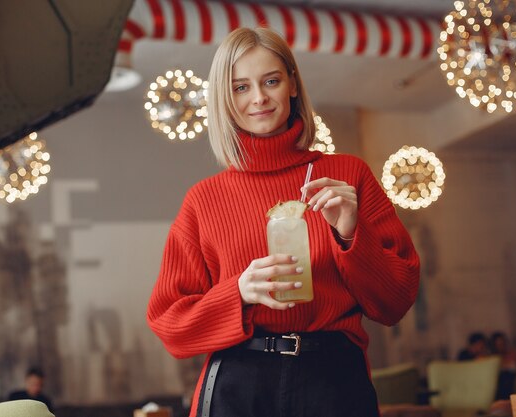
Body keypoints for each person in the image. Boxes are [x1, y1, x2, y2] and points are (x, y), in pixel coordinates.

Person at [146, 27, 420, 417]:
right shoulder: (203, 200)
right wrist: (237, 292)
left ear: (292, 83)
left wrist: (350, 234)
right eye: (240, 87)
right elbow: (169, 324)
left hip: (334, 380)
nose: (258, 98)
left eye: (270, 81)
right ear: (225, 98)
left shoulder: (347, 177)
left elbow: (395, 302)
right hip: (238, 383)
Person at [490, 331, 516, 399]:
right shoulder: (493, 359)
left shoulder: (513, 355)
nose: (502, 346)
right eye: (499, 344)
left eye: (503, 343)